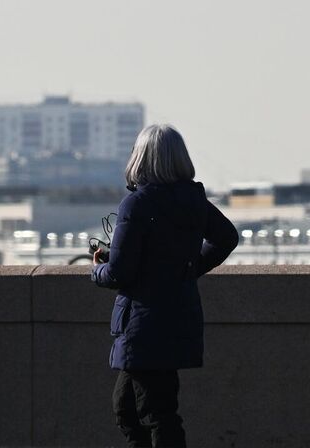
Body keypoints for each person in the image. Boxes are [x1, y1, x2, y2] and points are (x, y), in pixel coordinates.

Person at [90, 124, 238, 448]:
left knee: (155, 414)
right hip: (179, 317)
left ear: (142, 158)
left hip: (145, 326)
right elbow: (227, 238)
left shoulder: (137, 205)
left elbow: (120, 273)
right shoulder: (194, 201)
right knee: (130, 408)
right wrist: (189, 269)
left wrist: (97, 270)